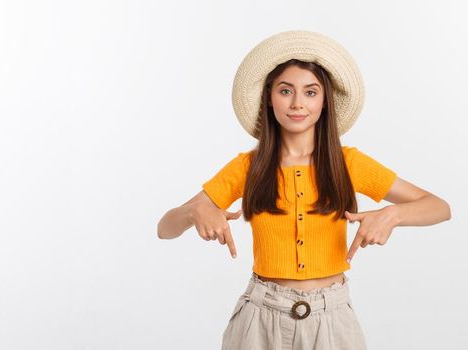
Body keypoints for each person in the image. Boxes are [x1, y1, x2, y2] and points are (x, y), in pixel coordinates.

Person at [157, 30, 452, 350]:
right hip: (259, 322)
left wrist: (394, 214)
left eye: (310, 92)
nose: (297, 103)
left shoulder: (349, 164)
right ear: (270, 97)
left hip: (332, 321)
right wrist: (194, 210)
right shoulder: (248, 167)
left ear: (325, 100)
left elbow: (439, 207)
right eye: (286, 91)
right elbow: (164, 228)